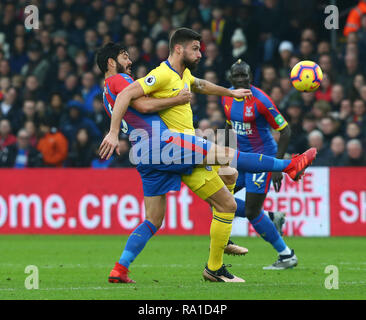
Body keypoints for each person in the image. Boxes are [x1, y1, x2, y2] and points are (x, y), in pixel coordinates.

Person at [98, 29, 316, 283]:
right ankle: (288, 165)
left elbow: (193, 86)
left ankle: (121, 268)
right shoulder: (120, 80)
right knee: (228, 155)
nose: (130, 62)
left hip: (145, 155)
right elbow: (131, 97)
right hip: (166, 143)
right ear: (111, 62)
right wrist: (113, 133)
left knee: (157, 218)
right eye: (124, 57)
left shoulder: (108, 94)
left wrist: (228, 92)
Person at [220, 60, 297, 270]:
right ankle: (272, 217)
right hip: (240, 159)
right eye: (236, 76)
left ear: (250, 76)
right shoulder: (226, 97)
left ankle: (286, 255)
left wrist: (277, 166)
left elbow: (286, 131)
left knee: (253, 212)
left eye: (244, 75)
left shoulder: (261, 100)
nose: (240, 80)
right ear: (230, 78)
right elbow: (228, 126)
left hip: (262, 159)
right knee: (216, 196)